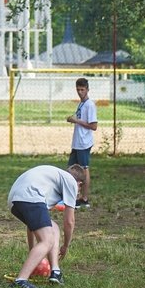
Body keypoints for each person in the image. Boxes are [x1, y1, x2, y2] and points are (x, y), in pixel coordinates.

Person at [7, 164, 85, 288]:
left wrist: (33, 250)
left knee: (53, 228)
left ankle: (55, 272)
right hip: (30, 197)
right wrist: (65, 246)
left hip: (14, 200)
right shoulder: (71, 181)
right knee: (47, 241)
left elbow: (32, 225)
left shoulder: (51, 180)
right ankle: (21, 280)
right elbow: (69, 221)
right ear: (80, 184)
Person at [66, 77, 97, 208]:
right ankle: (75, 197)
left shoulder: (90, 104)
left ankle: (84, 199)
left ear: (87, 90)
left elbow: (93, 126)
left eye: (82, 90)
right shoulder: (82, 103)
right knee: (71, 169)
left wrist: (76, 121)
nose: (80, 92)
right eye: (78, 89)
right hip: (77, 142)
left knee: (84, 170)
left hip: (84, 142)